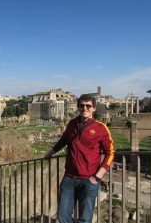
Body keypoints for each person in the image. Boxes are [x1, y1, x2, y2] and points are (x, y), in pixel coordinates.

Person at [44, 94, 114, 223]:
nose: (85, 108)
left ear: (94, 108)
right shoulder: (72, 124)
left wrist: (97, 176)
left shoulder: (100, 128)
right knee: (62, 216)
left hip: (89, 179)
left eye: (88, 106)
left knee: (85, 218)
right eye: (82, 105)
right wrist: (50, 153)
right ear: (78, 107)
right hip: (69, 177)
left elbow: (110, 153)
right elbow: (63, 140)